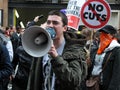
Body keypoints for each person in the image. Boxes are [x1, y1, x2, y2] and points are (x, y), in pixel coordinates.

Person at [26, 10, 88, 90]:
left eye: (55, 23)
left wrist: (56, 57)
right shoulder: (41, 48)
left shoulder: (75, 50)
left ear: (64, 28)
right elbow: (33, 78)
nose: (50, 25)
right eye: (48, 22)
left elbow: (74, 80)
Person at [89, 25, 120, 90]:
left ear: (112, 35)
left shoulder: (116, 50)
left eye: (106, 34)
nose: (103, 35)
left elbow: (117, 73)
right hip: (93, 83)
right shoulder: (97, 48)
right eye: (102, 33)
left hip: (106, 85)